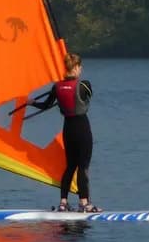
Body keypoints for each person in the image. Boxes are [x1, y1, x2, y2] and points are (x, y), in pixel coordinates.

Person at [30, 52, 99, 213]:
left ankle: (63, 203)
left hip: (67, 129)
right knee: (82, 167)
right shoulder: (84, 85)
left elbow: (46, 105)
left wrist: (32, 102)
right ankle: (85, 204)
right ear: (75, 67)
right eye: (79, 67)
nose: (81, 70)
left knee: (70, 167)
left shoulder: (56, 87)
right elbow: (87, 97)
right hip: (82, 128)